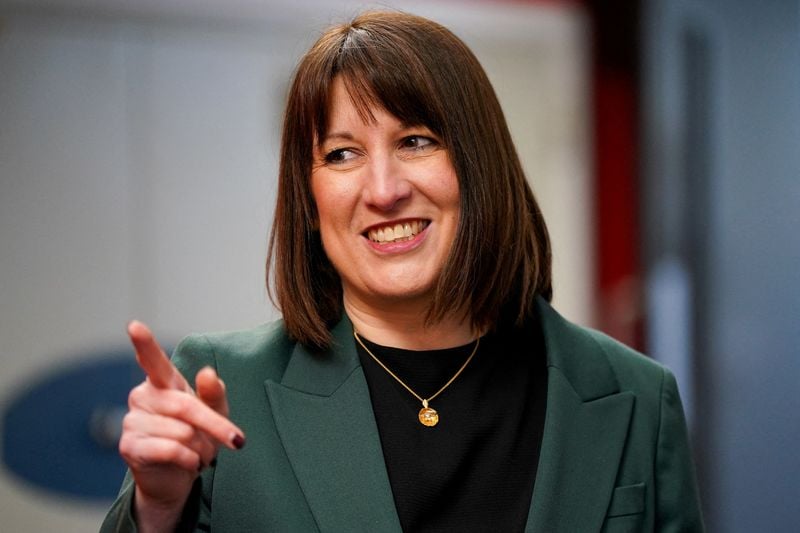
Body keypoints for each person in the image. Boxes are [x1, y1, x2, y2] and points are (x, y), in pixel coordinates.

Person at [100, 10, 704, 533]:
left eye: (415, 141)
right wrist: (158, 510)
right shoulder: (227, 390)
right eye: (342, 154)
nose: (384, 190)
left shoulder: (636, 398)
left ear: (480, 165)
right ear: (309, 200)